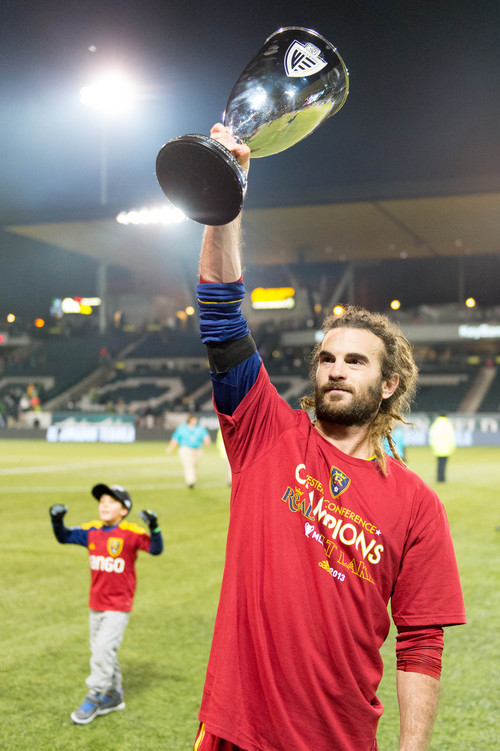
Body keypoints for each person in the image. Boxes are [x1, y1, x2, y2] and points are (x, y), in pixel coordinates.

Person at [191, 124, 466, 751]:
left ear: (390, 385)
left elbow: (422, 640)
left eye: (357, 361)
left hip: (338, 738)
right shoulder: (263, 433)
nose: (336, 368)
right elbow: (220, 313)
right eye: (327, 357)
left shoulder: (417, 503)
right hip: (235, 729)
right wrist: (226, 194)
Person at [49, 483, 163, 725]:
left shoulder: (131, 533)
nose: (104, 505)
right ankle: (114, 695)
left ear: (124, 510)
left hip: (119, 605)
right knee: (103, 650)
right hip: (96, 603)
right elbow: (64, 536)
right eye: (102, 501)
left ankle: (97, 694)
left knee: (102, 651)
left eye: (111, 502)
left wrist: (154, 526)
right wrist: (56, 520)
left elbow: (155, 549)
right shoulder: (92, 531)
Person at [166, 414, 211, 488]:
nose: (195, 421)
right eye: (193, 419)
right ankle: (191, 481)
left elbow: (206, 437)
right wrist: (170, 448)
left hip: (197, 449)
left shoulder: (200, 428)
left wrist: (207, 442)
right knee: (188, 465)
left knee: (194, 465)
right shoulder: (182, 428)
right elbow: (175, 439)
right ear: (189, 420)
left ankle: (192, 478)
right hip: (186, 449)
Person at [428, 413, 456, 482]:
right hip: (446, 448)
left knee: (439, 464)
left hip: (437, 448)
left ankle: (439, 478)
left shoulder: (435, 424)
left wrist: (433, 445)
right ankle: (442, 479)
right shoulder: (447, 424)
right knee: (443, 464)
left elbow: (432, 436)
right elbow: (450, 437)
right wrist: (452, 447)